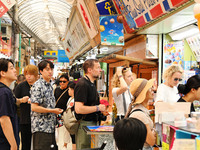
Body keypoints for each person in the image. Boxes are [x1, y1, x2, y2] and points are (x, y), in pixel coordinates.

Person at [30, 60, 63, 150]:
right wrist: (52, 110)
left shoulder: (49, 85)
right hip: (41, 128)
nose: (50, 72)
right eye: (47, 69)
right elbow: (34, 107)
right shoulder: (38, 86)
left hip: (50, 127)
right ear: (41, 71)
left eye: (51, 69)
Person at [74, 59, 106, 149]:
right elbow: (79, 109)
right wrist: (98, 108)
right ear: (89, 70)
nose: (100, 70)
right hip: (85, 124)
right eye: (98, 67)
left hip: (92, 124)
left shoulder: (91, 83)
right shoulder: (82, 84)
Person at [0, 58, 28, 150]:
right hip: (5, 142)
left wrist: (20, 100)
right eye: (11, 68)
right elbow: (4, 120)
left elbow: (13, 101)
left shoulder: (5, 90)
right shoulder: (4, 92)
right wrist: (13, 144)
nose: (15, 70)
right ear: (3, 73)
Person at [126, 78, 156, 150]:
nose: (153, 89)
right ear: (144, 92)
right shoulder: (139, 115)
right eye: (150, 88)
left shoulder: (142, 111)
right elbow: (151, 141)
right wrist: (154, 132)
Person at [14, 64, 38, 150]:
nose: (29, 77)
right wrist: (21, 100)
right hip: (25, 120)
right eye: (27, 74)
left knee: (38, 144)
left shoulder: (39, 86)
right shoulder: (20, 86)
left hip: (38, 120)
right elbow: (14, 100)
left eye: (31, 74)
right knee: (25, 144)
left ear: (36, 75)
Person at [54, 74, 71, 150]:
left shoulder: (69, 91)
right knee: (57, 130)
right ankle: (58, 144)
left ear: (68, 82)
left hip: (65, 114)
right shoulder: (57, 89)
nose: (62, 83)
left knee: (65, 131)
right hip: (56, 113)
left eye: (64, 81)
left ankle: (64, 145)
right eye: (60, 81)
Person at [66, 82, 76, 150]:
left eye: (69, 89)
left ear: (73, 90)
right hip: (70, 121)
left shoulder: (75, 100)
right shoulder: (70, 99)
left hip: (73, 121)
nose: (68, 91)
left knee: (74, 139)